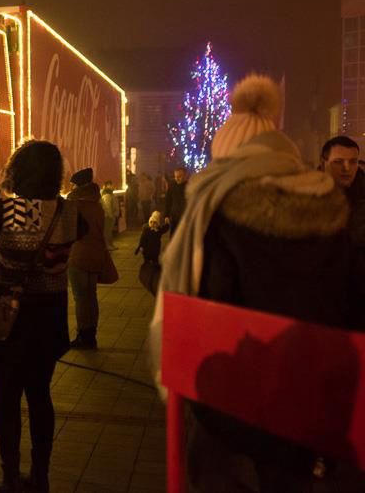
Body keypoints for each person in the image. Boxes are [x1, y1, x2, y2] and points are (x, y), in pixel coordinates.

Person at [149, 75, 362, 490]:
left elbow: (206, 310)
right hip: (309, 405)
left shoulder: (219, 215)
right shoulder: (332, 211)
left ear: (228, 160)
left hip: (232, 411)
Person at [0, 141, 84, 493]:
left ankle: (11, 475)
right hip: (50, 317)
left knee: (7, 399)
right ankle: (41, 476)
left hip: (11, 319)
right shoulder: (68, 211)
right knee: (40, 396)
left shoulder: (14, 210)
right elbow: (83, 233)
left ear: (20, 170)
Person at [66, 167, 107, 350]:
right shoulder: (97, 204)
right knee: (91, 296)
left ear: (78, 186)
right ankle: (92, 335)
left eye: (73, 184)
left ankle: (83, 336)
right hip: (96, 254)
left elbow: (68, 231)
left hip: (78, 255)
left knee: (81, 298)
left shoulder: (74, 204)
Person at [320, 135, 365, 249]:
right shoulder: (306, 197)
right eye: (338, 162)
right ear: (323, 163)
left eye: (353, 161)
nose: (346, 168)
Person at [134, 211, 167, 295]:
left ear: (157, 223)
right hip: (147, 249)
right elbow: (142, 239)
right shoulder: (146, 230)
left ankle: (154, 267)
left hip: (155, 249)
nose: (152, 224)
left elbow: (164, 229)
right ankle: (147, 267)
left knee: (155, 258)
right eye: (151, 222)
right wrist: (140, 247)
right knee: (147, 259)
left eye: (154, 222)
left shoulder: (158, 230)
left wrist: (167, 224)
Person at [164, 167, 188, 235]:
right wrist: (166, 215)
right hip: (174, 216)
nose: (177, 178)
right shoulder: (172, 185)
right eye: (175, 176)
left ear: (185, 176)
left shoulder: (190, 186)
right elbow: (168, 200)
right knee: (174, 235)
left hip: (186, 216)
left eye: (179, 176)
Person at [100, 180, 120, 250]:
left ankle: (110, 244)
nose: (112, 186)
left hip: (111, 215)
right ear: (106, 186)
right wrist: (111, 215)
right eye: (110, 185)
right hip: (108, 216)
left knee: (109, 231)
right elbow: (107, 206)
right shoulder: (107, 195)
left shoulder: (110, 194)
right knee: (107, 231)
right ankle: (107, 245)